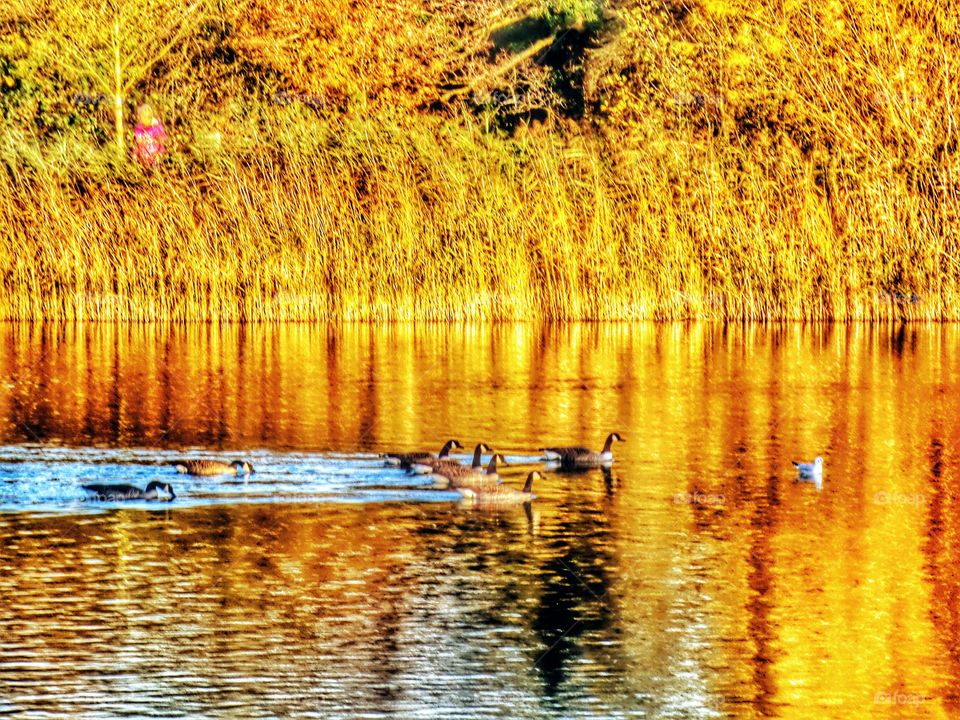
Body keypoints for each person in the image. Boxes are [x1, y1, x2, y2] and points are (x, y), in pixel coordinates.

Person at [132, 103, 167, 167]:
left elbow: (163, 144)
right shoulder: (138, 129)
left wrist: (159, 155)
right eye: (140, 116)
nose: (141, 119)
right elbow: (136, 144)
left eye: (146, 117)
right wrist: (134, 156)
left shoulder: (157, 127)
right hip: (142, 163)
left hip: (155, 162)